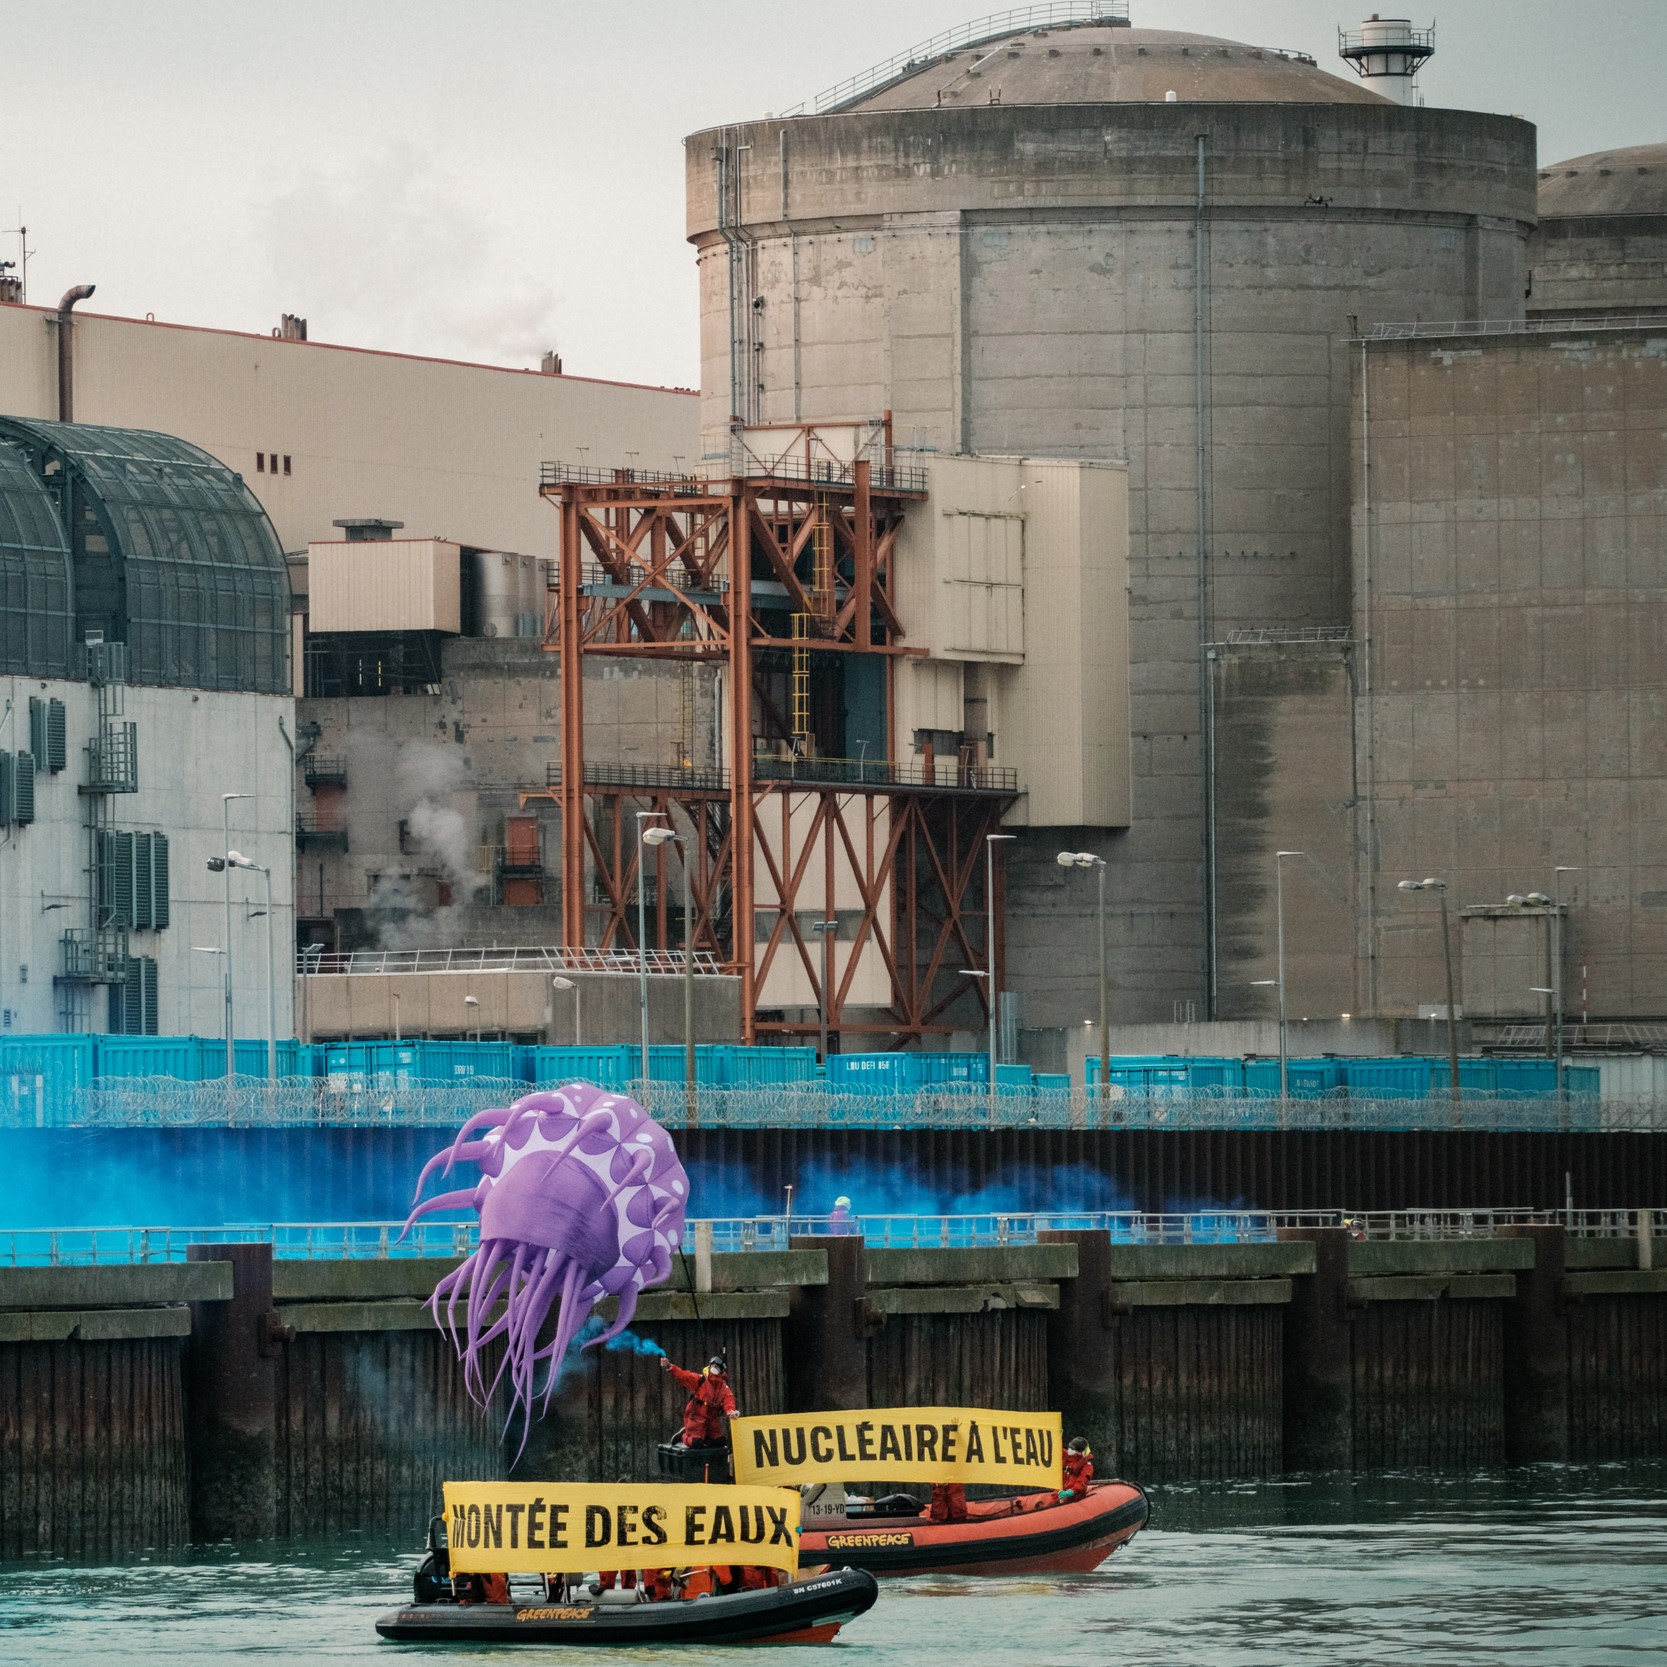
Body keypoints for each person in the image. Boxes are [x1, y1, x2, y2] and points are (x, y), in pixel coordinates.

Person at [661, 1352, 737, 1446]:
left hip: (711, 1421)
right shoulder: (701, 1380)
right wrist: (670, 1367)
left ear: (722, 1370)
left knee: (721, 1442)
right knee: (696, 1443)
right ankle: (683, 1436)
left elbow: (729, 1399)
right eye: (712, 1365)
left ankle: (703, 1438)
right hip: (696, 1418)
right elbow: (684, 1376)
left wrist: (730, 1411)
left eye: (717, 1367)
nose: (714, 1368)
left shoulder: (723, 1387)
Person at [1058, 1437, 1094, 1503]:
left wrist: (1070, 1492)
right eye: (1069, 1447)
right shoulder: (1068, 1457)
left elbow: (1082, 1482)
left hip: (1075, 1497)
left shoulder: (1087, 1466)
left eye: (1072, 1448)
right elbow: (1057, 1449)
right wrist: (1057, 1437)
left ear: (1080, 1451)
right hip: (1062, 1492)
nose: (1069, 1449)